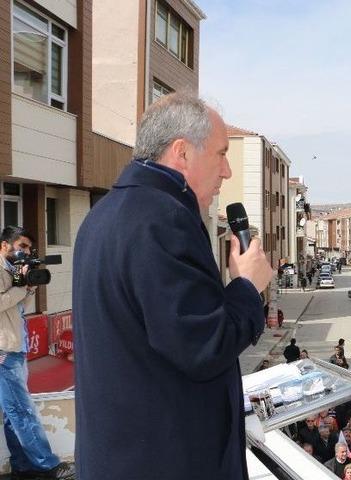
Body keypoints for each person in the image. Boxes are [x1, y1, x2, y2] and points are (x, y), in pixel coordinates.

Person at [72, 93, 274, 479]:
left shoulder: (105, 214)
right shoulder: (163, 219)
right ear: (182, 153)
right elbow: (204, 346)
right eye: (220, 154)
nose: (227, 171)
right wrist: (248, 286)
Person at [0, 226, 74, 479]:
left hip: (15, 347)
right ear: (4, 245)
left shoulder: (10, 271)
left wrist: (27, 286)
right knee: (22, 410)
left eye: (29, 248)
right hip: (3, 351)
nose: (26, 252)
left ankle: (22, 465)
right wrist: (21, 287)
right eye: (22, 247)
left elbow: (18, 306)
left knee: (13, 414)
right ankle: (47, 466)